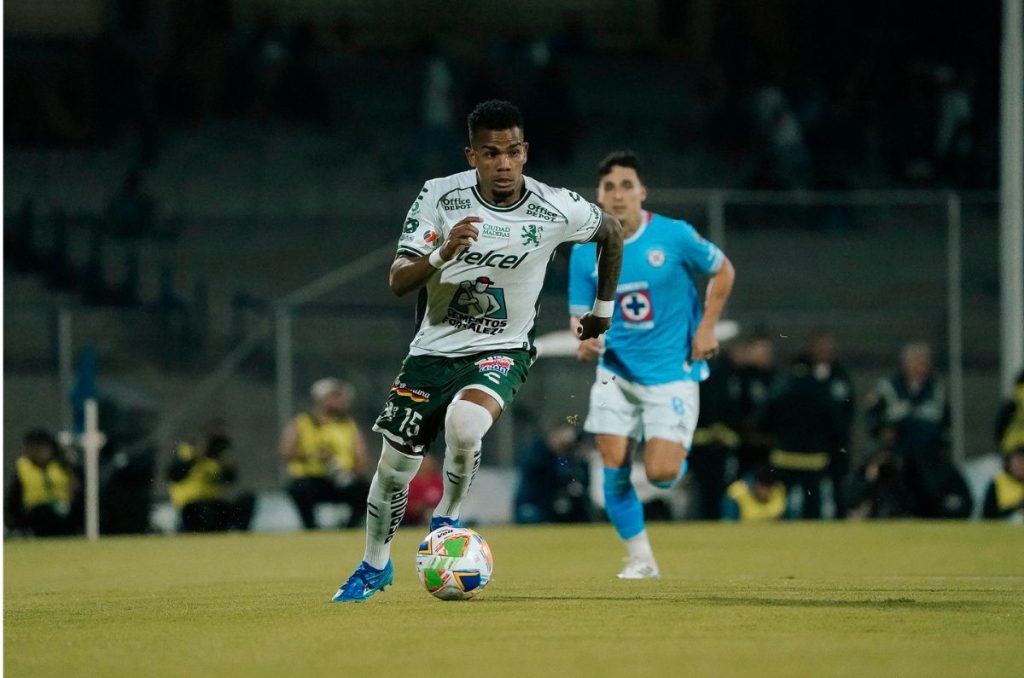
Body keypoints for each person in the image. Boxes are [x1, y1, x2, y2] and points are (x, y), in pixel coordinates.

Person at [332, 100, 623, 602]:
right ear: (472, 156)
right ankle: (374, 566)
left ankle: (446, 517)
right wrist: (442, 252)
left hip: (503, 348)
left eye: (512, 152)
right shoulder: (440, 196)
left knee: (465, 424)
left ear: (525, 152)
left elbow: (611, 232)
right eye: (491, 153)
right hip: (432, 353)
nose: (503, 163)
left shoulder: (554, 207)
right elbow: (399, 281)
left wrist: (603, 310)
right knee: (393, 471)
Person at [569, 150, 735, 579]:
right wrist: (585, 338)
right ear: (598, 195)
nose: (618, 194)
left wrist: (707, 328)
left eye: (627, 185)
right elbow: (579, 316)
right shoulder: (585, 252)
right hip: (616, 373)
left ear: (642, 192)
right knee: (613, 470)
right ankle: (641, 560)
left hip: (672, 373)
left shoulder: (674, 235)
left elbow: (723, 270)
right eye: (609, 187)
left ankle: (670, 448)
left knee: (661, 474)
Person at [280, 378, 370, 529]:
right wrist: (313, 457)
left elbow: (361, 458)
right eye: (334, 396)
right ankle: (311, 527)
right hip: (310, 478)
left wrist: (350, 473)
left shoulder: (348, 425)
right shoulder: (302, 422)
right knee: (299, 489)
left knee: (366, 490)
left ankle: (350, 529)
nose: (340, 401)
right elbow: (286, 453)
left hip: (340, 479)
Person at [166, 422, 255, 532]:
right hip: (191, 506)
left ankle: (238, 532)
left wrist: (227, 466)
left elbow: (231, 479)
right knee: (203, 509)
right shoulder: (186, 452)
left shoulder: (217, 459)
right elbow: (173, 475)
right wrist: (195, 457)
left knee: (247, 499)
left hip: (214, 504)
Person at [4, 429, 81, 537]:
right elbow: (12, 500)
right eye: (35, 448)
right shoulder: (23, 469)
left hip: (63, 513)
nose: (39, 452)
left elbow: (77, 490)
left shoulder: (63, 466)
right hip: (34, 515)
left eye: (43, 447)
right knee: (41, 514)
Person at [514, 422, 592, 524]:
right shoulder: (537, 450)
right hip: (534, 502)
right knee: (532, 518)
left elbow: (581, 482)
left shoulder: (572, 458)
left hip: (559, 506)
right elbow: (533, 471)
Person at [721, 466, 787, 522]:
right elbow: (729, 524)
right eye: (764, 487)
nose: (768, 493)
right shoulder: (736, 493)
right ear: (756, 484)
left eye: (771, 488)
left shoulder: (779, 490)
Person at [981, 445, 1024, 521]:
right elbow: (987, 516)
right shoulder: (997, 483)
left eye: (1022, 462)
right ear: (1009, 464)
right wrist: (1015, 508)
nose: (1020, 466)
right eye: (1017, 463)